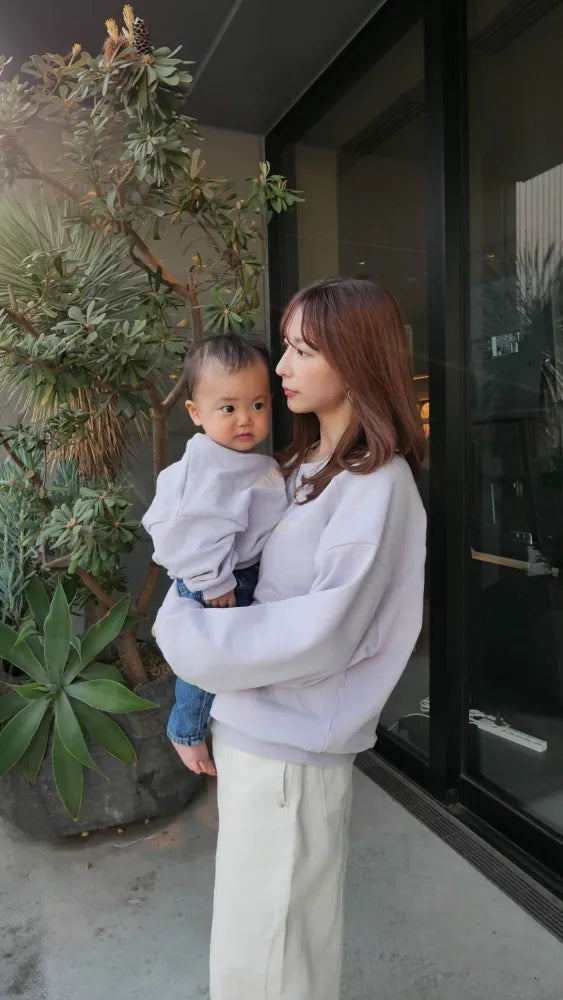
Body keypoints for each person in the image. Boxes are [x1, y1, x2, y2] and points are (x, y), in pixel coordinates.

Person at [154, 276, 427, 1000]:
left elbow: (320, 634)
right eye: (285, 347)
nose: (279, 368)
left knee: (272, 955)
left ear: (355, 358)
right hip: (255, 732)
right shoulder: (298, 469)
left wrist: (186, 632)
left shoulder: (377, 486)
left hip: (291, 748)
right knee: (260, 938)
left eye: (302, 350)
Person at [143, 332, 287, 776]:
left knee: (229, 662)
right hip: (220, 581)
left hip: (238, 575)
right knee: (207, 664)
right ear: (195, 413)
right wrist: (213, 581)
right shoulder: (203, 468)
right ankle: (186, 732)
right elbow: (177, 531)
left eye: (257, 405)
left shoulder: (242, 460)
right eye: (228, 408)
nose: (245, 419)